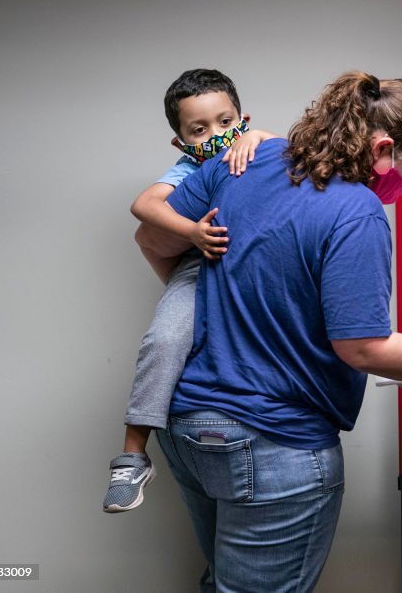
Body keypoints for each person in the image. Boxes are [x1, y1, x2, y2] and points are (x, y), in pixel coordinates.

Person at [151, 71, 402, 592]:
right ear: (382, 148)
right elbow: (362, 346)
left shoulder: (247, 158)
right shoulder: (357, 212)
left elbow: (152, 237)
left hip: (190, 427)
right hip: (272, 441)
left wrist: (211, 307)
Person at [103, 68, 277, 513]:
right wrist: (194, 233)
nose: (217, 135)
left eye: (226, 122)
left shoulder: (259, 145)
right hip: (199, 266)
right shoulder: (185, 169)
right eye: (199, 130)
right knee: (164, 340)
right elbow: (142, 206)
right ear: (182, 143)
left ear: (242, 119)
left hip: (254, 270)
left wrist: (256, 135)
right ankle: (133, 455)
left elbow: (281, 149)